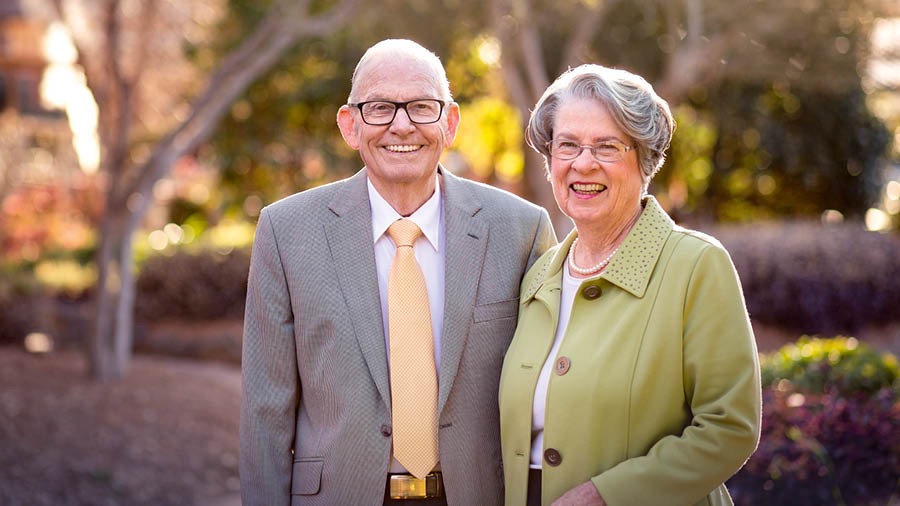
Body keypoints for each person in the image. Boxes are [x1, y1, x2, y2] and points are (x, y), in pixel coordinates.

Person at [239, 39, 556, 506]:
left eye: (422, 107)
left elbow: (548, 393)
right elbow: (265, 411)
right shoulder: (285, 232)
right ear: (350, 125)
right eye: (380, 107)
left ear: (450, 123)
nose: (402, 125)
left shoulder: (521, 230)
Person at [498, 64, 761, 506]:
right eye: (568, 145)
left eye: (607, 146)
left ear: (645, 160)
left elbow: (730, 427)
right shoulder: (538, 277)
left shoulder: (695, 266)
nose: (583, 163)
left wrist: (607, 496)